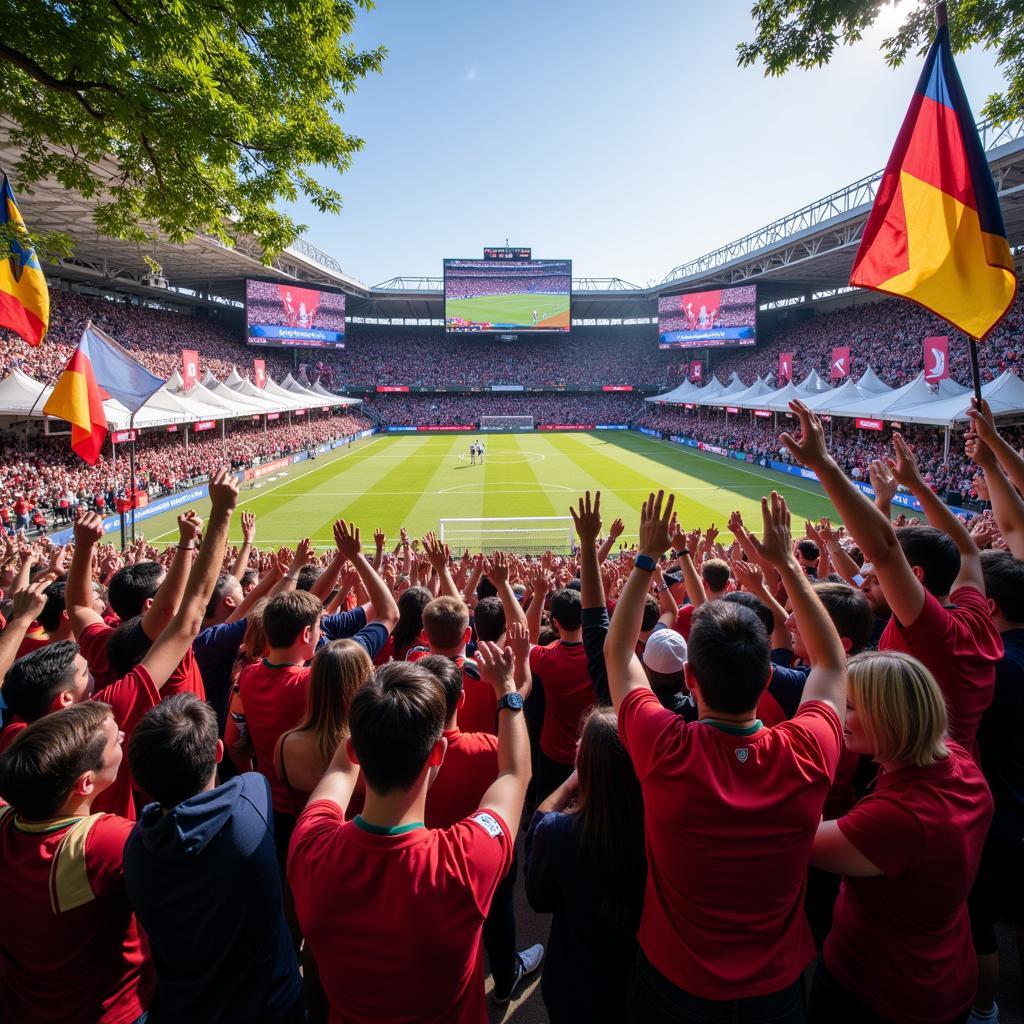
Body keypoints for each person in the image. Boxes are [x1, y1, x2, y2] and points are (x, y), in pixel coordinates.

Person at [604, 489, 847, 1022]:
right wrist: (787, 564)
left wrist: (646, 558)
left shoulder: (665, 746)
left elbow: (617, 652)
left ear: (690, 678)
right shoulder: (807, 750)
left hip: (673, 985)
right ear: (767, 677)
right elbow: (831, 663)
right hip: (776, 990)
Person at [288, 646, 531, 1022]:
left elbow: (337, 774)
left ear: (355, 750)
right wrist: (507, 689)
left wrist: (371, 708)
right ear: (437, 753)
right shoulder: (467, 860)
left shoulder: (309, 845)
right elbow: (515, 773)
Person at [784, 402, 1002, 760]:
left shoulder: (935, 629)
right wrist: (914, 484)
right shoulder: (974, 615)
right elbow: (967, 550)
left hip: (919, 771)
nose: (872, 572)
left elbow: (885, 550)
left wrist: (824, 463)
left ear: (916, 576)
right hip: (957, 763)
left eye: (886, 574)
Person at [807, 651, 993, 1024]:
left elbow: (801, 841)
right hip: (944, 969)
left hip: (882, 990)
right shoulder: (958, 760)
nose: (840, 714)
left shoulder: (897, 818)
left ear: (889, 719)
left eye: (851, 706)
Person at [123, 694, 303, 1023]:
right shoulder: (250, 804)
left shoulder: (137, 849)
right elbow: (251, 778)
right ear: (218, 751)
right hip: (272, 1008)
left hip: (187, 1009)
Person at [0, 701, 155, 1023]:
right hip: (108, 1012)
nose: (124, 737)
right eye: (116, 741)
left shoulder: (5, 820)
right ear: (85, 783)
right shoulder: (100, 842)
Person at [421, 651, 543, 1004]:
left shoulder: (403, 754)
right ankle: (505, 978)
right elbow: (518, 770)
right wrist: (507, 687)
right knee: (500, 909)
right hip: (487, 859)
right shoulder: (490, 748)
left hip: (431, 864)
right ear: (460, 698)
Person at [525, 706, 646, 1024]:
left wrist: (570, 782)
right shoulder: (654, 828)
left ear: (587, 763)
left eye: (583, 742)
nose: (577, 744)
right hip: (635, 982)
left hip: (573, 983)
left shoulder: (557, 831)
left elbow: (538, 898)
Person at [276, 638, 374, 814]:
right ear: (361, 684)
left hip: (303, 838)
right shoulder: (370, 750)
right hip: (354, 841)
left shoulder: (285, 744)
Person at [526, 580, 593, 800]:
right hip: (591, 750)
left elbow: (526, 640)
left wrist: (538, 595)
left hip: (552, 752)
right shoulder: (600, 656)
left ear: (555, 622)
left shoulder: (546, 659)